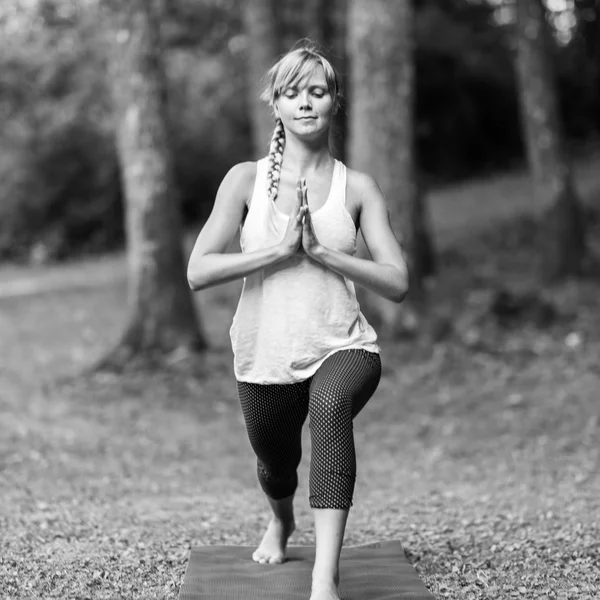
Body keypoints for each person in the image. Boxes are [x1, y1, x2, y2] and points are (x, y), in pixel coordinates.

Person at [187, 42, 408, 600]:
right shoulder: (245, 180)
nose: (305, 103)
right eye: (292, 93)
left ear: (335, 102)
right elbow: (198, 270)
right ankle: (281, 518)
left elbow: (397, 281)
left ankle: (323, 579)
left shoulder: (358, 188)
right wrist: (281, 252)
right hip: (264, 353)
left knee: (330, 410)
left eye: (317, 91)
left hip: (344, 345)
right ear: (277, 106)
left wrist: (326, 253)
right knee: (276, 462)